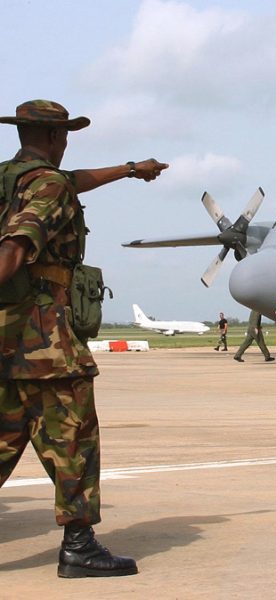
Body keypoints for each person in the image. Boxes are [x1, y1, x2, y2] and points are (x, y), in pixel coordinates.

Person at [0, 99, 169, 578]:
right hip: (45, 343)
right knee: (73, 439)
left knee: (5, 437)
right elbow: (16, 245)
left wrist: (131, 169)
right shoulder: (50, 187)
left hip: (5, 338)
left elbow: (74, 179)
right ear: (58, 136)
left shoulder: (12, 179)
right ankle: (79, 546)